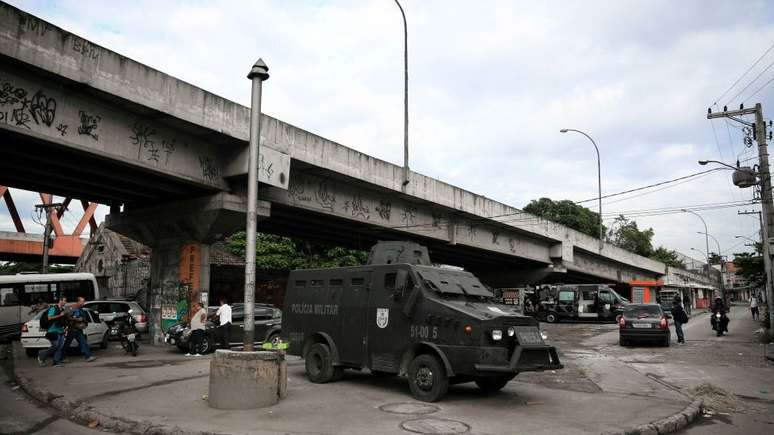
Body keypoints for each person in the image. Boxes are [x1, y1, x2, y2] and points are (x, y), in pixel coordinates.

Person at [62, 297, 97, 362]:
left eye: (84, 301)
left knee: (83, 342)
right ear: (78, 301)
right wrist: (77, 319)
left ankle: (88, 356)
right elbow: (67, 317)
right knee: (67, 343)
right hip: (72, 329)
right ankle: (62, 357)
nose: (83, 303)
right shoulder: (72, 308)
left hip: (77, 329)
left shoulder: (80, 309)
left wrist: (83, 321)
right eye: (82, 301)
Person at [37, 297, 67, 367]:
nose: (65, 302)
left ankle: (56, 363)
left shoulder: (62, 309)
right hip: (52, 330)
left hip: (60, 330)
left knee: (59, 347)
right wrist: (60, 315)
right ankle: (42, 355)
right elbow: (49, 317)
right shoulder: (53, 308)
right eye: (64, 301)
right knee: (55, 346)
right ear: (60, 301)